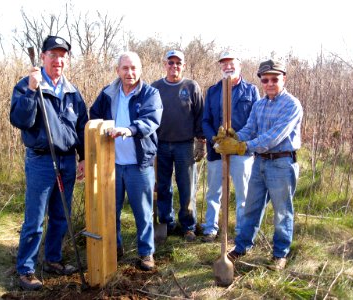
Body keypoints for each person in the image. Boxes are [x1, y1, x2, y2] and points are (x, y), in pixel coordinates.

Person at [10, 35, 88, 290]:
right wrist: (33, 90)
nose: (58, 60)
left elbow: (81, 127)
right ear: (42, 57)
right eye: (52, 55)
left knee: (60, 216)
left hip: (66, 162)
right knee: (35, 220)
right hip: (42, 161)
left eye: (62, 55)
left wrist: (84, 157)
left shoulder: (72, 92)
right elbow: (20, 119)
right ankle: (26, 269)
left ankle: (52, 260)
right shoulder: (27, 85)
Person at [214, 59, 303, 270]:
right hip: (259, 162)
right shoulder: (259, 104)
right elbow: (250, 128)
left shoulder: (292, 105)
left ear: (284, 79)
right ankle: (242, 246)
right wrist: (234, 136)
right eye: (265, 79)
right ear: (261, 81)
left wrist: (241, 147)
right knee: (251, 207)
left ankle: (279, 254)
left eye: (275, 79)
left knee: (282, 211)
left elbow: (273, 137)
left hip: (282, 163)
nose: (270, 83)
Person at [89, 51, 163, 271]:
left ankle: (146, 253)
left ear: (140, 70)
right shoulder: (108, 93)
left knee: (143, 212)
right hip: (111, 164)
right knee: (111, 210)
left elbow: (150, 121)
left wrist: (128, 130)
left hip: (139, 165)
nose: (130, 72)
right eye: (125, 68)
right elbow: (94, 117)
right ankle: (114, 247)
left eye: (134, 68)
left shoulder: (151, 94)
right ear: (117, 70)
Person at [201, 50, 260, 243]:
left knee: (243, 193)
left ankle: (241, 230)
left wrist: (238, 144)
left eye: (231, 63)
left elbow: (255, 121)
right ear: (220, 67)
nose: (228, 67)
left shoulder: (251, 91)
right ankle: (211, 228)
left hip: (241, 151)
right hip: (216, 151)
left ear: (239, 65)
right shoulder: (213, 91)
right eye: (224, 64)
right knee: (213, 192)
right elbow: (205, 121)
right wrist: (214, 140)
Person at [151, 50, 205, 242]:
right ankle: (166, 222)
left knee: (187, 186)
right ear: (164, 64)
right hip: (161, 145)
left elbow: (200, 115)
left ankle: (188, 225)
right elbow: (149, 115)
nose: (174, 66)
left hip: (185, 145)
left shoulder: (191, 86)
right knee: (163, 186)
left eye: (178, 63)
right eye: (171, 62)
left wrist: (201, 141)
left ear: (184, 65)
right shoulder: (156, 87)